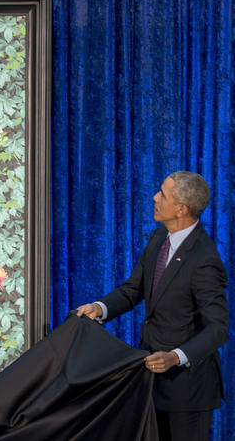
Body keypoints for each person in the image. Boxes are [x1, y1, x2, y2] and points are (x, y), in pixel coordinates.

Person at [76, 171, 227, 441]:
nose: (155, 197)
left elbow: (217, 329)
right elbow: (133, 289)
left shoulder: (205, 259)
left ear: (180, 209)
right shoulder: (159, 238)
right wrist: (100, 308)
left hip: (188, 390)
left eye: (163, 194)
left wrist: (175, 356)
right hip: (151, 379)